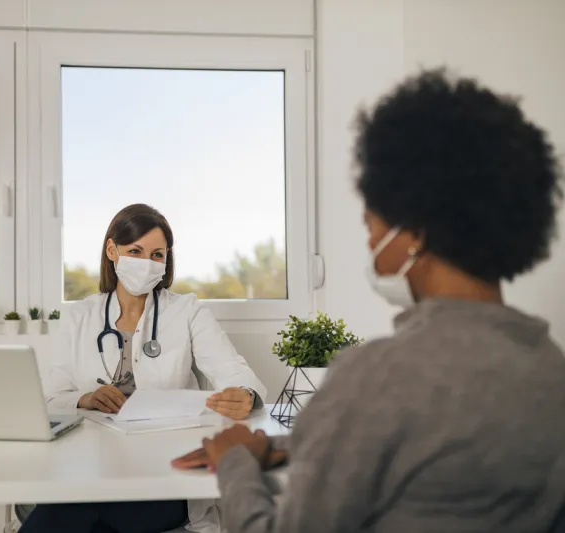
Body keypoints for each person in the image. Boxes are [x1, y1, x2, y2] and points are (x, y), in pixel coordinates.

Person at [172, 68, 565, 533]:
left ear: (414, 231)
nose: (371, 238)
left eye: (371, 223)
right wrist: (305, 446)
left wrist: (236, 461)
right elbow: (445, 461)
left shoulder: (375, 377)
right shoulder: (548, 367)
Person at [20, 203, 267, 533]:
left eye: (156, 255)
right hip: (90, 466)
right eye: (135, 251)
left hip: (162, 477)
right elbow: (51, 398)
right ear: (112, 250)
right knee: (82, 501)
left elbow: (236, 373)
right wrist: (86, 399)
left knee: (74, 508)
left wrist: (246, 395)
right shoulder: (80, 317)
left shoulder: (187, 312)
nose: (146, 263)